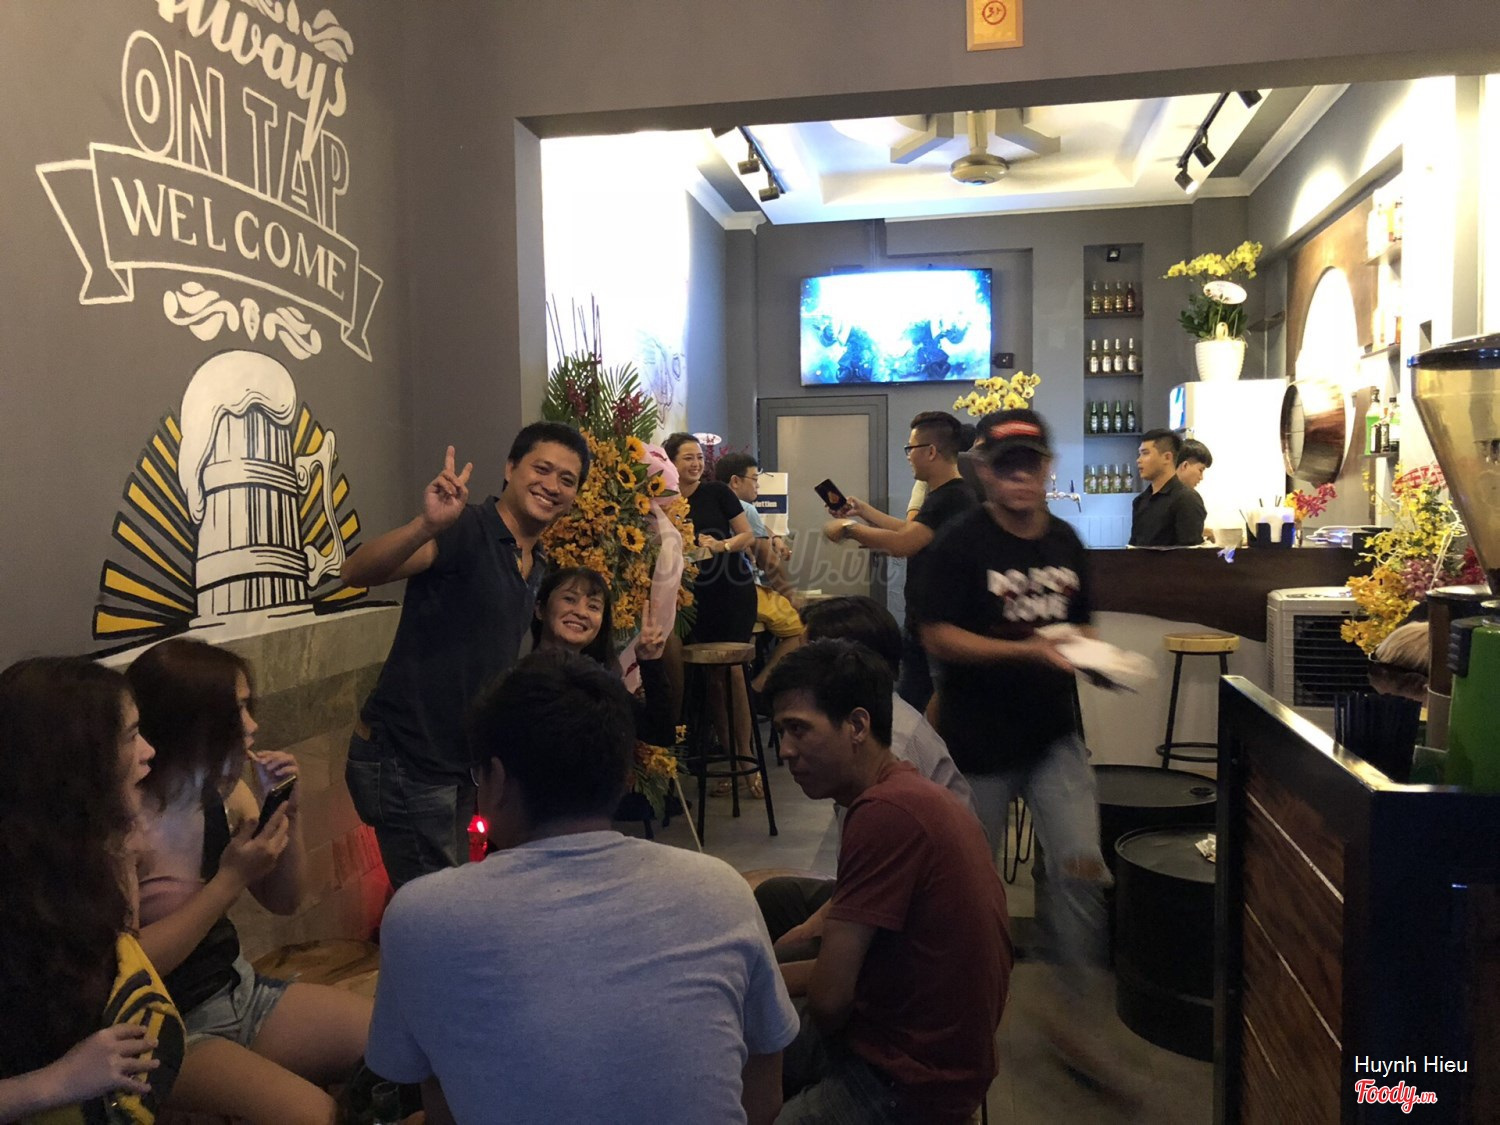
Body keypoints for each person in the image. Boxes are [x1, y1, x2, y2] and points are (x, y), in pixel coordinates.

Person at [366, 649, 798, 1125]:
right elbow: (764, 1093)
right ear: (625, 777)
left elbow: (439, 1102)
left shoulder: (421, 916)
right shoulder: (720, 888)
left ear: (498, 780)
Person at [914, 408, 1139, 1103]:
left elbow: (1081, 626)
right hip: (977, 746)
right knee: (970, 892)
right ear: (985, 470)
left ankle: (1076, 1024)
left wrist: (1096, 661)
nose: (1020, 477)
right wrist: (1027, 650)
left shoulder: (1066, 540)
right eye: (1006, 465)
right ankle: (958, 1021)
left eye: (1030, 464)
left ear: (1047, 468)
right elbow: (937, 635)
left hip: (1053, 739)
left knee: (1080, 869)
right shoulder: (960, 543)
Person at [765, 641, 1010, 1125]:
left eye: (799, 729)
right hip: (927, 1043)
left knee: (740, 1044)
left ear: (857, 726)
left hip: (914, 1078)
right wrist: (759, 977)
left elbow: (830, 1003)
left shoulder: (885, 813)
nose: (786, 750)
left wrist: (756, 984)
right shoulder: (902, 788)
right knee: (757, 1001)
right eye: (781, 732)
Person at [128, 638, 371, 1125]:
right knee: (321, 1116)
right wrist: (229, 880)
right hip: (167, 1026)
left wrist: (288, 815)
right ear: (186, 723)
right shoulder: (125, 824)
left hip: (241, 991)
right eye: (235, 711)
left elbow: (286, 900)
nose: (252, 726)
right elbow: (127, 968)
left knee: (401, 1044)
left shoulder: (223, 793)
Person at [343, 422, 590, 888]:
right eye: (541, 469)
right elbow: (355, 572)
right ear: (510, 468)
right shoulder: (466, 528)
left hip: (459, 763)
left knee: (450, 899)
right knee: (436, 908)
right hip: (408, 758)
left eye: (567, 479)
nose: (552, 485)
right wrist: (426, 525)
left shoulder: (536, 563)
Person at [0, 657, 183, 1124]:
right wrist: (56, 1081)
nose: (149, 752)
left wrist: (119, 851)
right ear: (76, 760)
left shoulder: (75, 866)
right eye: (130, 736)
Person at [754, 596, 976, 961]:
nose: (786, 750)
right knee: (773, 895)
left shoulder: (890, 760)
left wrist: (768, 969)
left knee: (766, 951)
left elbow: (839, 975)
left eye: (808, 655)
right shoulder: (885, 718)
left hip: (920, 929)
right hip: (904, 897)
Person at [822, 411, 978, 712]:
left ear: (930, 451)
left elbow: (903, 543)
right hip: (926, 622)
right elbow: (909, 531)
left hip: (940, 624)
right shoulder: (945, 496)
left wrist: (848, 529)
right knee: (914, 707)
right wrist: (863, 511)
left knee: (916, 711)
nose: (908, 456)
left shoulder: (952, 497)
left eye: (910, 448)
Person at [666, 433, 759, 782]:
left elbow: (747, 535)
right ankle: (730, 758)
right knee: (713, 679)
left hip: (731, 589)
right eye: (687, 458)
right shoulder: (665, 500)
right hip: (692, 597)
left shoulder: (717, 492)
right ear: (670, 462)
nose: (696, 464)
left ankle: (746, 758)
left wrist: (721, 546)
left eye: (699, 458)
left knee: (733, 670)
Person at [530, 565, 673, 745]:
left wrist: (650, 663)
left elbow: (660, 733)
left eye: (593, 606)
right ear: (540, 609)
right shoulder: (517, 676)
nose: (581, 612)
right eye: (569, 599)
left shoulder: (598, 683)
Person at [714, 451, 805, 694]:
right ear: (735, 481)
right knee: (801, 629)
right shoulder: (745, 509)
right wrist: (791, 596)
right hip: (741, 594)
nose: (758, 486)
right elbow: (769, 563)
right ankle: (757, 688)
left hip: (706, 597)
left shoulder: (703, 503)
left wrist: (773, 537)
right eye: (754, 479)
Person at [1130, 428, 1204, 546]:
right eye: (1140, 454)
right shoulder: (1140, 501)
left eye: (1145, 453)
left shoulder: (1186, 499)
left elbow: (1190, 553)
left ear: (1167, 457)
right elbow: (1134, 548)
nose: (1139, 460)